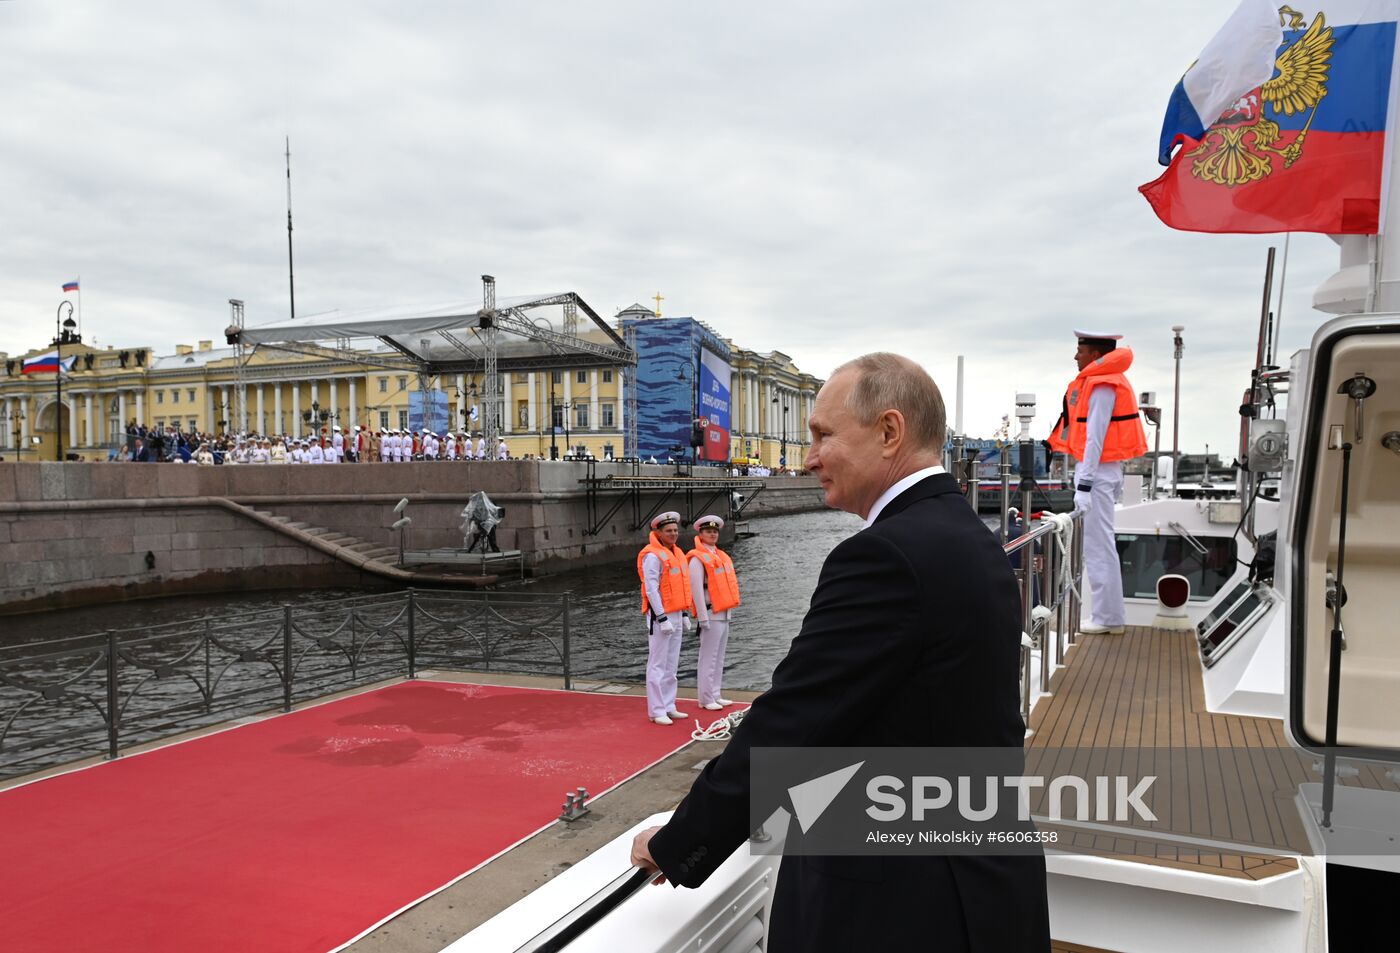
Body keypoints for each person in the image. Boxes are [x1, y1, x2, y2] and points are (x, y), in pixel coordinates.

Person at [630, 352, 1048, 951]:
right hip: (980, 881)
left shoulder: (885, 557)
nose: (809, 458)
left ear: (888, 432)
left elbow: (793, 719)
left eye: (824, 434)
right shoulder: (968, 536)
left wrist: (680, 841)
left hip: (906, 904)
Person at [1047, 330, 1148, 636]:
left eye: (1080, 350)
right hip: (1100, 473)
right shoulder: (1101, 381)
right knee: (1098, 545)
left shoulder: (1103, 385)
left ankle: (1107, 618)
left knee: (1098, 546)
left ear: (1094, 355)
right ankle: (1108, 615)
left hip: (1099, 475)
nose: (1076, 356)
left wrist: (1085, 485)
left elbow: (1095, 438)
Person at [636, 511, 694, 726]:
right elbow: (651, 589)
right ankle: (656, 709)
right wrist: (661, 618)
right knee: (657, 664)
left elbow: (682, 587)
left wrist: (685, 613)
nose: (673, 534)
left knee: (672, 664)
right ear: (658, 532)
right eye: (668, 531)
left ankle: (669, 705)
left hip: (677, 613)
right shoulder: (653, 555)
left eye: (675, 530)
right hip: (661, 616)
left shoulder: (677, 553)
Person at [685, 515, 739, 711]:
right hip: (710, 613)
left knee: (719, 657)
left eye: (715, 531)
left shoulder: (720, 556)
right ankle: (706, 698)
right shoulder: (697, 559)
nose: (712, 534)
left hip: (724, 613)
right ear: (700, 533)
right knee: (708, 658)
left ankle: (716, 693)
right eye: (708, 531)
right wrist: (701, 616)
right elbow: (697, 590)